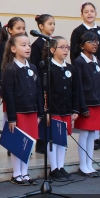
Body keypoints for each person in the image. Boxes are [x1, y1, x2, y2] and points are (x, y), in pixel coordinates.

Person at [1, 33, 43, 185]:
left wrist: (40, 112)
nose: (27, 48)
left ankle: (25, 173)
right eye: (23, 45)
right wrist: (11, 117)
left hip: (32, 112)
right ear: (13, 48)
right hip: (19, 113)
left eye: (29, 45)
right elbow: (9, 95)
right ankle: (16, 173)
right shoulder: (11, 69)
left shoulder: (32, 67)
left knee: (28, 143)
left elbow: (38, 90)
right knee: (18, 143)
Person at [45, 37, 84, 182]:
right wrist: (47, 110)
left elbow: (76, 90)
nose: (66, 50)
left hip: (67, 109)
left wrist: (75, 109)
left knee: (63, 140)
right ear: (53, 50)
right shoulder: (48, 68)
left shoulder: (70, 68)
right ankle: (53, 168)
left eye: (67, 47)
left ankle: (61, 166)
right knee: (54, 140)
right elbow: (45, 92)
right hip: (54, 110)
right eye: (62, 47)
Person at [73, 32, 100, 177]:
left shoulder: (97, 62)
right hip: (86, 103)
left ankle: (89, 164)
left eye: (96, 41)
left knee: (93, 135)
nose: (95, 44)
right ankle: (82, 165)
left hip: (96, 102)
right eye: (91, 41)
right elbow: (78, 86)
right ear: (81, 45)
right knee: (85, 134)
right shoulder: (79, 62)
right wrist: (82, 106)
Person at [69, 2, 100, 88]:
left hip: (99, 70)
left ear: (95, 14)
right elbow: (74, 54)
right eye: (86, 12)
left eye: (92, 11)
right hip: (84, 70)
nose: (89, 13)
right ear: (82, 15)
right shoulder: (77, 31)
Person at [30, 13, 55, 154]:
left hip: (52, 84)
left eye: (54, 24)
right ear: (40, 26)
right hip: (42, 83)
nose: (52, 26)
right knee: (43, 113)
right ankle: (41, 144)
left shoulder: (52, 42)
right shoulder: (38, 44)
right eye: (49, 23)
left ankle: (50, 141)